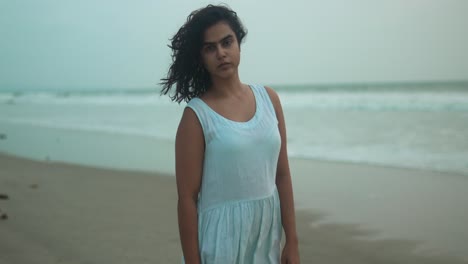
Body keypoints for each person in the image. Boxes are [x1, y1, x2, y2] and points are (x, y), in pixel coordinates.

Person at [160, 4, 300, 264]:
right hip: (220, 240)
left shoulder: (269, 99)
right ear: (201, 57)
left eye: (227, 42)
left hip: (265, 235)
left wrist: (291, 241)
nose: (221, 53)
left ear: (238, 44)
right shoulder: (197, 116)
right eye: (210, 48)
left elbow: (282, 175)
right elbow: (187, 199)